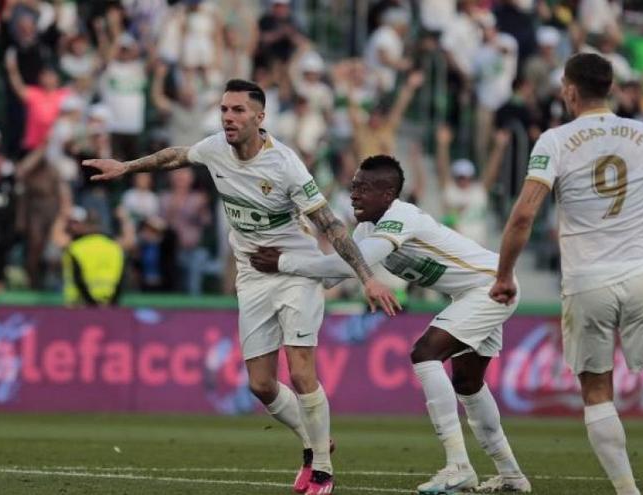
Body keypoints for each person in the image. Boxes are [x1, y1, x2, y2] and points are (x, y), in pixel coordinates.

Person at [84, 78, 400, 495]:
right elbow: (175, 156)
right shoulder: (216, 147)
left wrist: (367, 277)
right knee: (261, 385)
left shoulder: (286, 164)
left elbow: (330, 224)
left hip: (295, 272)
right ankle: (314, 440)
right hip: (252, 275)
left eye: (238, 111)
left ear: (259, 117)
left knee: (302, 371)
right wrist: (126, 167)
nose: (228, 118)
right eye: (225, 110)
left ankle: (321, 468)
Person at [251, 155, 532, 494]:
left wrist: (283, 262)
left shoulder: (402, 216)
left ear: (387, 195)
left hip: (490, 285)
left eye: (363, 188)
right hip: (471, 293)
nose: (353, 194)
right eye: (353, 186)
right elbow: (338, 271)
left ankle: (458, 465)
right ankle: (512, 475)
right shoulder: (367, 228)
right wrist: (290, 286)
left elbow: (350, 265)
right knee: (468, 383)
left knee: (425, 353)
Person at [490, 53, 643, 495]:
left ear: (570, 91)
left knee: (597, 390)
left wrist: (504, 275)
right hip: (641, 274)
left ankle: (627, 491)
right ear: (612, 88)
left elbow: (524, 215)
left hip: (587, 281)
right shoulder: (642, 134)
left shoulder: (554, 141)